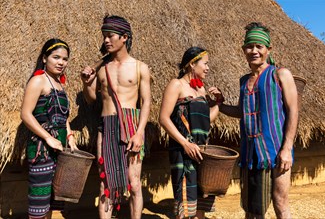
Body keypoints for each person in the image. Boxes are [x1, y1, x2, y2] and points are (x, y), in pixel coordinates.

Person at [219, 22, 298, 219]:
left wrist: (287, 149)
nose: (254, 51)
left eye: (259, 46)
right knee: (252, 209)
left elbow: (293, 110)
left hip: (277, 150)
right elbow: (241, 111)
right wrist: (219, 104)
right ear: (244, 50)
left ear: (268, 49)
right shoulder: (243, 81)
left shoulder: (280, 74)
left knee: (280, 203)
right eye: (249, 46)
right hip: (250, 153)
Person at [80, 15, 151, 219]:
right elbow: (92, 99)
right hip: (107, 124)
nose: (106, 41)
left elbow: (146, 102)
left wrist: (139, 133)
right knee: (106, 182)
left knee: (134, 181)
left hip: (131, 123)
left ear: (124, 37)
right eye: (104, 36)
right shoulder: (102, 69)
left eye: (110, 36)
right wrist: (86, 84)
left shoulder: (140, 67)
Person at [159, 47, 223, 219]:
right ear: (192, 64)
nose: (208, 68)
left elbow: (208, 119)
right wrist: (185, 143)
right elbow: (164, 118)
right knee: (186, 205)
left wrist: (218, 102)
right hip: (183, 151)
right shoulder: (176, 85)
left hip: (202, 152)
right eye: (205, 63)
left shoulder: (201, 90)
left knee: (201, 203)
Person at [21, 38, 78, 219]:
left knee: (54, 201)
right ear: (45, 58)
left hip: (59, 147)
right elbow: (26, 115)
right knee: (40, 201)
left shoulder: (60, 84)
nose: (61, 62)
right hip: (42, 150)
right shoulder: (38, 81)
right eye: (56, 57)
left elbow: (63, 116)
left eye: (64, 59)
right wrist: (47, 138)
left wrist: (69, 135)